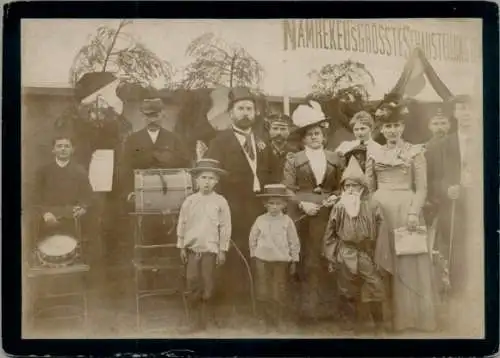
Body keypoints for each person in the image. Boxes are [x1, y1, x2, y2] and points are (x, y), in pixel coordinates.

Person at [365, 100, 437, 332]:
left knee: (408, 259)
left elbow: (422, 188)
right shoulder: (374, 151)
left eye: (396, 125)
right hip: (379, 208)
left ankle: (409, 318)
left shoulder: (415, 151)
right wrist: (368, 208)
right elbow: (368, 185)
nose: (392, 130)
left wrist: (414, 211)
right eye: (387, 127)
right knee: (379, 261)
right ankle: (383, 319)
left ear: (402, 127)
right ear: (381, 129)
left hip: (406, 207)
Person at [204, 87, 268, 320]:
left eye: (249, 109)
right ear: (230, 113)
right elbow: (212, 176)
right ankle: (227, 307)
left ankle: (254, 305)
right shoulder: (219, 141)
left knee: (258, 254)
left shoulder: (263, 142)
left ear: (256, 113)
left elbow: (271, 173)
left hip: (259, 208)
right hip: (231, 207)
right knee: (230, 254)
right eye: (240, 109)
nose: (245, 113)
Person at [282, 100, 343, 324]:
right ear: (302, 139)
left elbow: (342, 185)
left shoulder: (336, 158)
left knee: (328, 257)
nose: (314, 137)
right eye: (309, 135)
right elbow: (287, 189)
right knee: (307, 260)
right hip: (304, 216)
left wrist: (335, 197)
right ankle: (306, 311)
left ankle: (330, 309)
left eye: (317, 133)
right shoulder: (294, 160)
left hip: (329, 213)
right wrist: (302, 204)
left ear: (323, 136)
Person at [322, 156, 387, 335]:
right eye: (347, 186)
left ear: (363, 187)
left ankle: (379, 325)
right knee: (346, 289)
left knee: (375, 285)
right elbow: (330, 234)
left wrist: (378, 254)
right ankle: (350, 326)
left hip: (367, 252)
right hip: (346, 251)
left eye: (355, 186)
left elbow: (382, 231)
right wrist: (332, 256)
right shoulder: (340, 207)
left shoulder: (373, 206)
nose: (351, 190)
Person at [425, 94, 480, 298]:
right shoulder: (443, 144)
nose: (466, 113)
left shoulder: (489, 138)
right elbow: (433, 179)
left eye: (470, 108)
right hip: (454, 205)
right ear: (455, 114)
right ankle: (459, 294)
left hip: (482, 205)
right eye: (461, 109)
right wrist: (446, 189)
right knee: (457, 249)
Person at [176, 158, 231, 332]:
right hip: (193, 251)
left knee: (208, 284)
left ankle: (206, 320)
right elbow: (182, 224)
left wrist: (222, 250)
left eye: (211, 178)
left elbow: (225, 227)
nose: (207, 182)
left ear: (216, 181)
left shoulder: (220, 201)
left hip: (210, 251)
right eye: (203, 178)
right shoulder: (190, 201)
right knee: (192, 283)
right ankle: (193, 322)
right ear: (196, 180)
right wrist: (182, 246)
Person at [249, 184, 301, 331]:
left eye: (278, 203)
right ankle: (263, 321)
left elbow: (293, 241)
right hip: (262, 260)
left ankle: (279, 320)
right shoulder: (260, 220)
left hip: (281, 261)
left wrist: (294, 259)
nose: (274, 207)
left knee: (278, 291)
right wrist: (254, 255)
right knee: (263, 290)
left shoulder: (287, 221)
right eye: (271, 203)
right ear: (265, 204)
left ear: (284, 205)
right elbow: (252, 239)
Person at [33, 135, 93, 244]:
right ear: (53, 149)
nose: (63, 149)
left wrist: (83, 207)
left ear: (72, 150)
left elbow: (87, 195)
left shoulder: (80, 171)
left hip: (72, 217)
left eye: (67, 146)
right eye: (59, 146)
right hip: (48, 217)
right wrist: (45, 213)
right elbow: (36, 196)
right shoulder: (43, 171)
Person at [261, 113, 299, 184]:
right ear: (269, 130)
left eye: (283, 129)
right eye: (275, 128)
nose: (279, 132)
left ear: (289, 131)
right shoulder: (261, 151)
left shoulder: (296, 153)